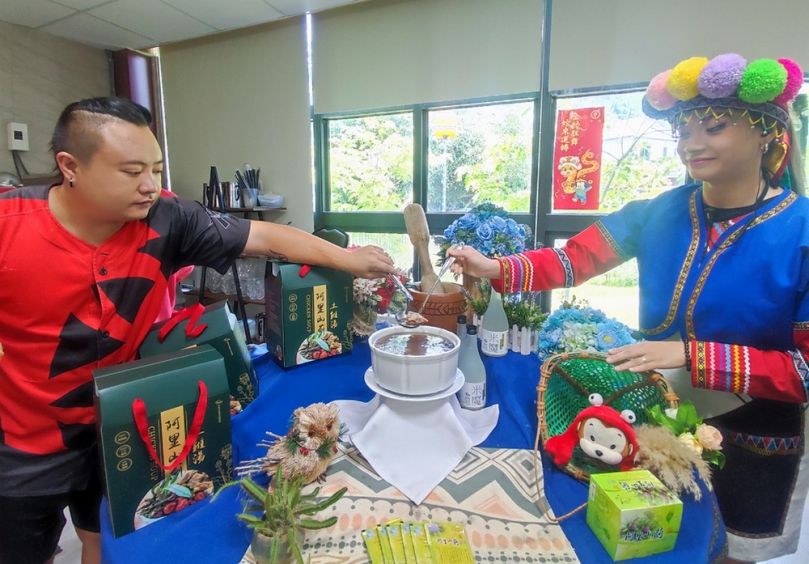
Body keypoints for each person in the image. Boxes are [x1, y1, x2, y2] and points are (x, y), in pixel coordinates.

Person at [0, 97, 395, 564]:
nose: (150, 186)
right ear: (70, 166)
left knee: (102, 539)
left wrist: (348, 260)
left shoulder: (168, 217)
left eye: (156, 168)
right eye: (131, 171)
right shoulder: (10, 226)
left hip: (127, 425)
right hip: (25, 440)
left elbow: (262, 236)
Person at [449, 54, 809, 563]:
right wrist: (494, 269)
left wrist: (691, 355)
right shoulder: (661, 212)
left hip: (753, 430)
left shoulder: (801, 232)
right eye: (682, 130)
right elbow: (573, 258)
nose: (691, 143)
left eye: (714, 127)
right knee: (649, 538)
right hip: (654, 413)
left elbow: (805, 371)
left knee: (736, 553)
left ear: (766, 133)